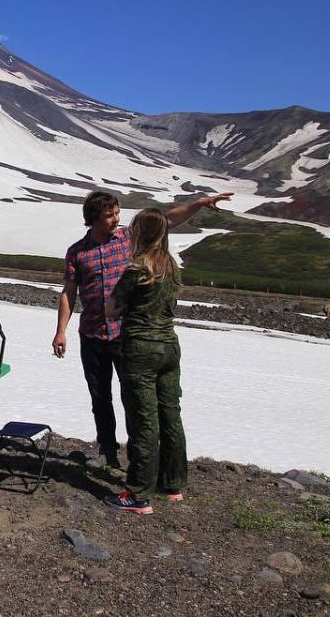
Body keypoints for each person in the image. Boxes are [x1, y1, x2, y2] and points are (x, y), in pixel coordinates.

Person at [51, 190, 230, 469]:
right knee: (100, 397)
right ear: (93, 218)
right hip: (93, 334)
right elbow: (69, 292)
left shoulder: (128, 237)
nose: (116, 219)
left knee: (135, 398)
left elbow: (165, 221)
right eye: (109, 215)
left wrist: (197, 204)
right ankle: (107, 451)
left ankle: (140, 459)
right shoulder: (77, 252)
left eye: (117, 213)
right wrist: (61, 330)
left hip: (128, 335)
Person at [102, 208, 186, 514]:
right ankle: (172, 483)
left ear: (140, 233)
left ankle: (138, 494)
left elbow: (111, 308)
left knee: (143, 419)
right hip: (169, 346)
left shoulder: (137, 268)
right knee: (170, 414)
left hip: (140, 348)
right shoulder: (171, 266)